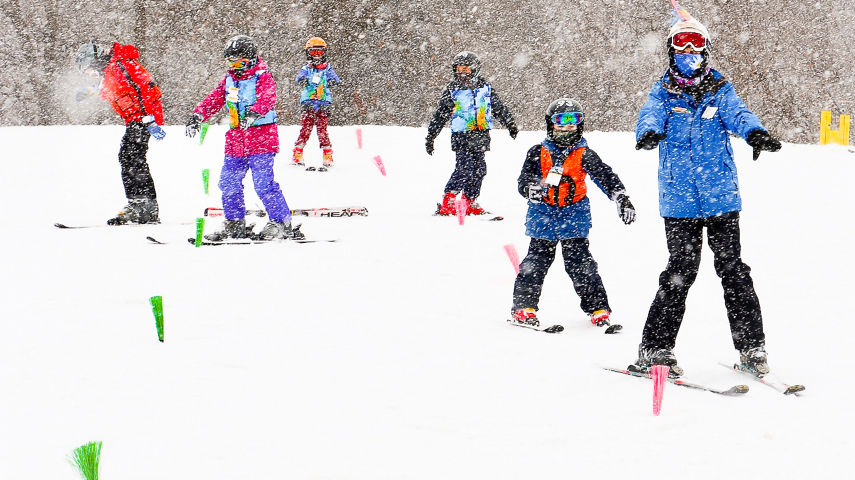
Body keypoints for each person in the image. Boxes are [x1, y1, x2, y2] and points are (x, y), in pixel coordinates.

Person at [629, 15, 782, 378]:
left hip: (720, 199)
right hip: (679, 201)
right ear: (670, 49)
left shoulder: (720, 90)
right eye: (681, 43)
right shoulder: (662, 92)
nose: (688, 51)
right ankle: (655, 349)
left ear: (707, 49)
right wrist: (649, 131)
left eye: (696, 43)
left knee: (734, 271)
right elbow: (648, 114)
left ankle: (752, 349)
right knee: (680, 273)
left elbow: (739, 114)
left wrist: (755, 132)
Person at [511, 98, 636, 329]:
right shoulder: (537, 152)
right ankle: (523, 307)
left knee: (581, 264)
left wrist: (621, 197)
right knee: (535, 262)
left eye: (573, 121)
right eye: (561, 121)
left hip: (574, 215)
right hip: (543, 214)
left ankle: (598, 308)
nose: (567, 127)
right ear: (550, 124)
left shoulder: (584, 154)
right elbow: (523, 180)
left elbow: (605, 176)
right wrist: (530, 189)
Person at [185, 35, 303, 241]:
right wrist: (198, 115)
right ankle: (234, 222)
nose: (233, 65)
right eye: (230, 61)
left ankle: (281, 222)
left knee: (263, 183)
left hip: (261, 137)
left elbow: (268, 96)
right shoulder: (230, 79)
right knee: (228, 183)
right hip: (236, 139)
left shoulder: (262, 75)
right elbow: (215, 98)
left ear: (248, 58)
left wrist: (255, 112)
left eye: (237, 61)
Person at [75, 41, 166, 225]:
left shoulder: (121, 65)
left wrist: (149, 119)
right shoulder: (109, 71)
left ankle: (144, 206)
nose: (91, 75)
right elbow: (112, 91)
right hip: (134, 120)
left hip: (143, 118)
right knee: (129, 157)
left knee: (131, 156)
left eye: (90, 70)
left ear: (96, 60)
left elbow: (146, 88)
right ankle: (140, 205)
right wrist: (91, 91)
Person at [426, 51, 518, 216]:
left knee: (479, 169)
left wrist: (509, 123)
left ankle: (470, 201)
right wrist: (431, 136)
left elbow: (498, 108)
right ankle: (449, 199)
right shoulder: (453, 90)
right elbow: (441, 114)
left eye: (466, 69)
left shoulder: (485, 89)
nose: (462, 73)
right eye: (459, 69)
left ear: (475, 69)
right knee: (465, 167)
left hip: (481, 135)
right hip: (462, 136)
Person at [292, 37, 341, 170]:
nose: (317, 56)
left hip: (323, 102)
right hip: (308, 102)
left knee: (322, 130)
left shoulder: (327, 68)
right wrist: (303, 80)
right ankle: (298, 152)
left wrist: (332, 82)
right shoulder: (307, 68)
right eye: (314, 53)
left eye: (319, 52)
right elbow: (299, 77)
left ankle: (327, 154)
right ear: (308, 53)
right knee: (306, 129)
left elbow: (336, 79)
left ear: (324, 53)